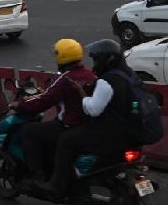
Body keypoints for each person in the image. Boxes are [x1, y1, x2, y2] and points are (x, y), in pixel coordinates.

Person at [39, 39, 138, 197]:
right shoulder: (129, 75)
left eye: (97, 59)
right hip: (130, 133)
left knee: (66, 139)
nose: (95, 63)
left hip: (109, 133)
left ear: (107, 59)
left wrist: (82, 94)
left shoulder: (107, 80)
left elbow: (93, 110)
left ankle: (57, 184)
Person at [14, 39, 96, 180]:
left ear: (61, 57)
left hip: (68, 126)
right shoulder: (90, 75)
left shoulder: (66, 79)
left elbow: (44, 101)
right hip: (88, 126)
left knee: (28, 130)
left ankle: (37, 172)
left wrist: (21, 105)